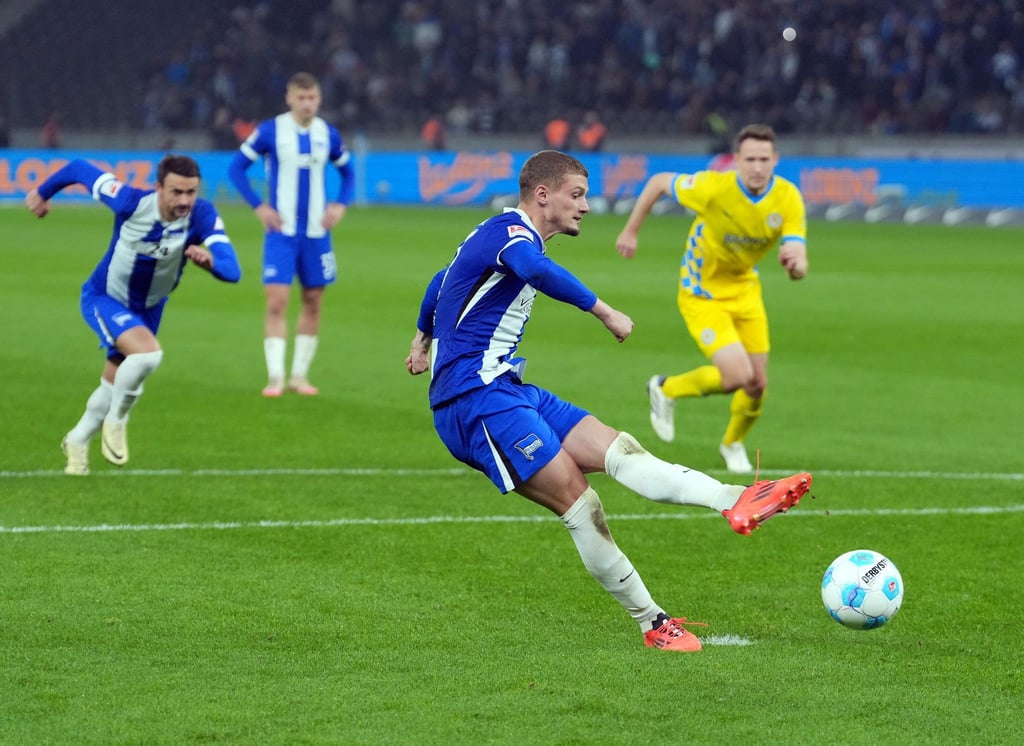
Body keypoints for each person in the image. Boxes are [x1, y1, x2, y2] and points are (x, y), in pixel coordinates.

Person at [405, 150, 812, 652]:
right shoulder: (514, 237)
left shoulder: (495, 236)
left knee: (622, 449)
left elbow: (438, 283)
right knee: (581, 502)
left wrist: (421, 339)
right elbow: (534, 271)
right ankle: (653, 623)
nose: (587, 206)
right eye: (576, 195)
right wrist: (604, 311)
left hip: (506, 387)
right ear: (542, 195)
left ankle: (734, 500)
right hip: (473, 400)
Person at [25, 155, 242, 475]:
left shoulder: (202, 215)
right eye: (176, 192)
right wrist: (42, 193)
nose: (184, 200)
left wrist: (212, 264)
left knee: (113, 381)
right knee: (147, 356)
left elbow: (233, 269)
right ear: (158, 188)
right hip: (105, 298)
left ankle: (77, 439)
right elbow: (78, 168)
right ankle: (117, 420)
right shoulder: (129, 201)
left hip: (150, 307)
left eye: (191, 192)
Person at [615, 124, 808, 474]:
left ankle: (732, 443)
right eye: (749, 159)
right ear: (736, 160)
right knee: (736, 376)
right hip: (701, 291)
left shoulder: (788, 197)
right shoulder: (713, 187)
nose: (757, 167)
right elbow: (659, 182)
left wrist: (796, 266)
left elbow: (797, 252)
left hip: (745, 289)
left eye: (764, 159)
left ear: (775, 160)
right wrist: (631, 230)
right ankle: (666, 388)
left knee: (757, 383)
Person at [229, 71, 355, 397]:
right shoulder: (271, 131)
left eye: (312, 98)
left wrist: (340, 205)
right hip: (281, 233)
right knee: (277, 302)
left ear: (319, 99)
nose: (306, 104)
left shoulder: (327, 134)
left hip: (317, 234)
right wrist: (259, 206)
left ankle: (299, 376)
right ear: (289, 98)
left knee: (313, 301)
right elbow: (236, 168)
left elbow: (348, 172)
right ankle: (275, 377)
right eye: (300, 98)